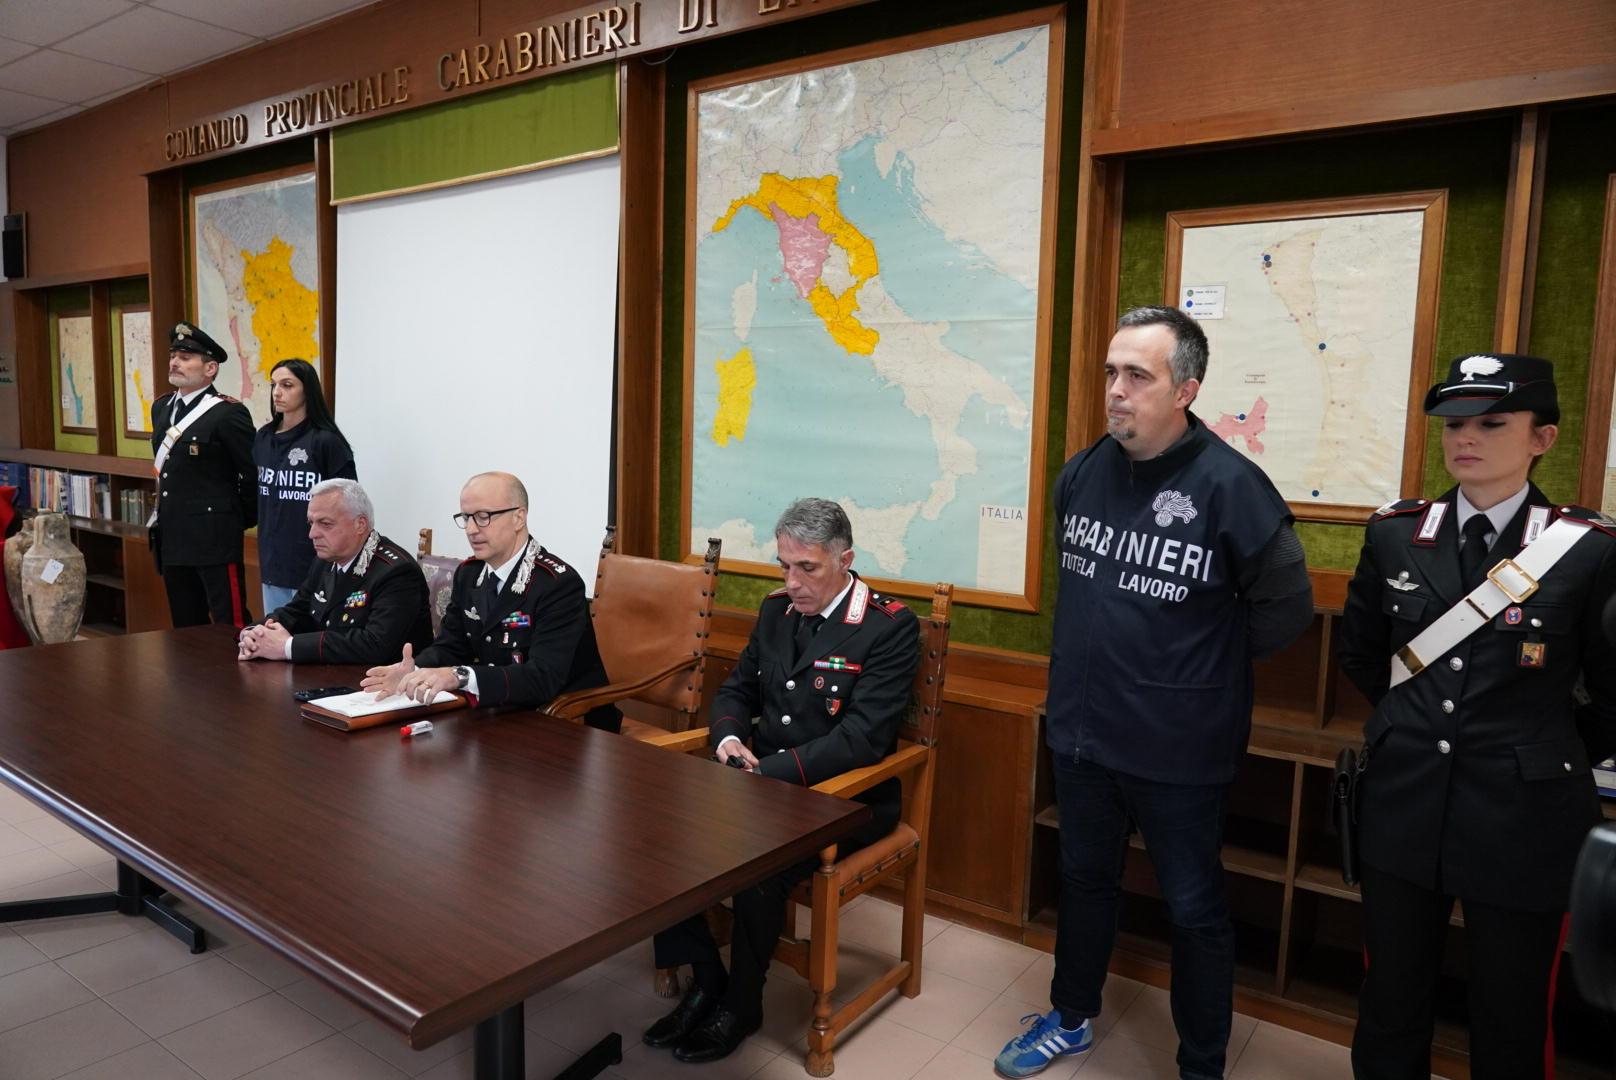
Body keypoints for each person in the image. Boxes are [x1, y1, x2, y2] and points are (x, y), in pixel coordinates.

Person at [996, 307, 1314, 1079]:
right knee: (1084, 881)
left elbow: (1286, 611)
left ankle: (1201, 1064)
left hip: (1180, 746)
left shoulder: (1234, 488)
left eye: (1137, 375)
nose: (1116, 389)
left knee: (1194, 907)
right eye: (1111, 372)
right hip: (1084, 733)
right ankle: (1071, 1017)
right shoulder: (1083, 472)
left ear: (1186, 390)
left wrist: (1194, 666)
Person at [1336, 353, 1616, 1080]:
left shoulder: (1587, 550)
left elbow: (1612, 697)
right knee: (1390, 1001)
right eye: (1454, 423)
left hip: (1525, 818)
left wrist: (1538, 752)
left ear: (1542, 439)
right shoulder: (1396, 532)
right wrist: (1413, 730)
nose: (1466, 437)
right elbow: (1363, 655)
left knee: (1511, 1016)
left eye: (1493, 423)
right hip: (1405, 805)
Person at [642, 497, 919, 1065]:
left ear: (845, 559)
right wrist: (727, 739)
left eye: (806, 568)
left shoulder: (887, 626)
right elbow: (738, 690)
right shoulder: (776, 610)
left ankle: (742, 1004)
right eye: (784, 566)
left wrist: (763, 773)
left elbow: (862, 740)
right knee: (659, 835)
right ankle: (707, 980)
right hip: (758, 783)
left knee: (758, 867)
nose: (791, 582)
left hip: (846, 799)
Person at [359, 471, 620, 731]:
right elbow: (452, 646)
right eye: (466, 518)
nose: (471, 529)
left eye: (483, 517)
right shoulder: (469, 574)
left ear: (518, 518)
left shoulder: (557, 584)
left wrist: (460, 676)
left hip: (564, 722)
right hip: (500, 713)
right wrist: (414, 669)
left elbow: (542, 677)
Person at [236, 479, 432, 666]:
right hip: (331, 675)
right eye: (311, 523)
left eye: (325, 523)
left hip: (385, 682)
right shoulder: (326, 559)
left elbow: (375, 644)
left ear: (360, 524)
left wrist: (287, 647)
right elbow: (298, 611)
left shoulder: (397, 572)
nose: (312, 534)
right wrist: (254, 634)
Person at [149, 322, 257, 628]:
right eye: (174, 355)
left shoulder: (228, 413)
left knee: (230, 625)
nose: (175, 362)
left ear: (210, 368)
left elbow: (252, 474)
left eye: (185, 357)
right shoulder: (161, 408)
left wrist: (233, 519)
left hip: (215, 538)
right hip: (173, 536)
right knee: (185, 628)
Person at [253, 358, 356, 616]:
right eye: (274, 385)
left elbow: (348, 503)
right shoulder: (263, 437)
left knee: (309, 636)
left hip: (315, 562)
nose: (277, 392)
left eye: (287, 385)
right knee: (275, 632)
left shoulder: (326, 441)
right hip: (273, 561)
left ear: (307, 390)